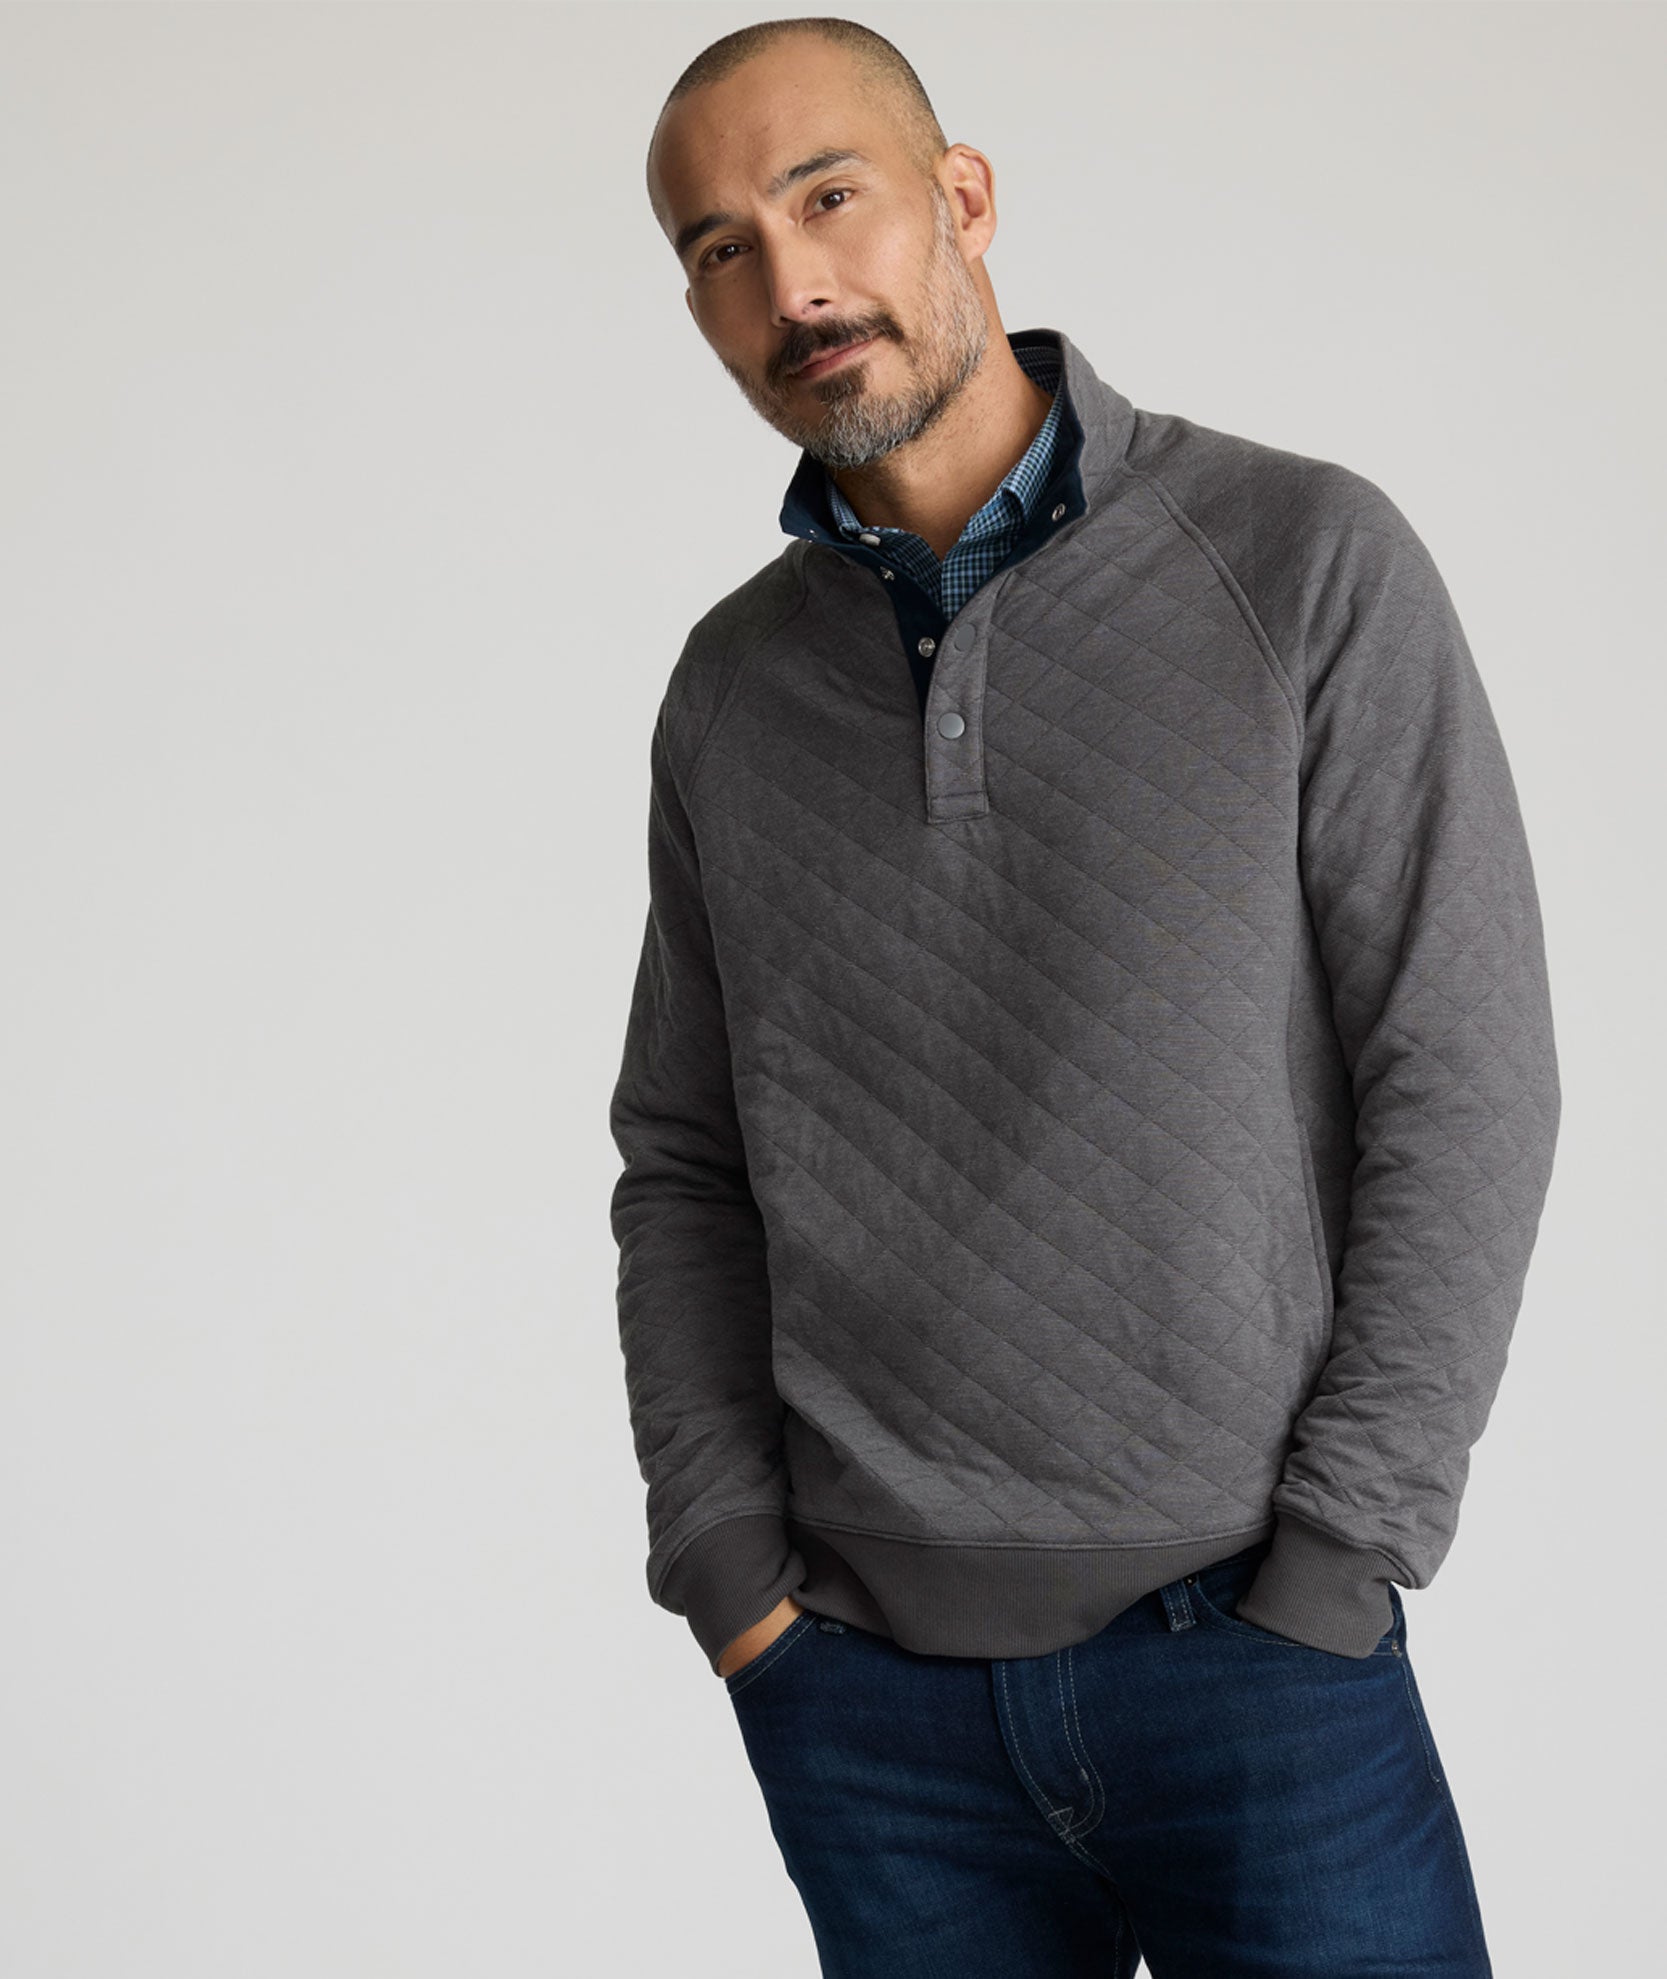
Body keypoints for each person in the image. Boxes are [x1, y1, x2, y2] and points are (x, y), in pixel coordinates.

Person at [608, 16, 1561, 1976]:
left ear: (961, 197)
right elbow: (686, 1161)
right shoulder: (730, 689)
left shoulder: (1301, 562)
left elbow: (1463, 1071)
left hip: (1258, 1654)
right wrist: (731, 1582)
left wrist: (1345, 1553)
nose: (791, 284)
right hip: (866, 1703)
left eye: (828, 197)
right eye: (720, 248)